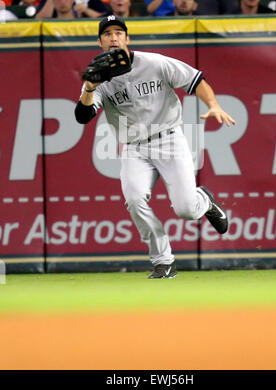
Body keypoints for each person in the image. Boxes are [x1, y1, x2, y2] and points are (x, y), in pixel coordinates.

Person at [74, 15, 236, 279]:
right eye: (107, 34)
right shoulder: (98, 78)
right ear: (100, 42)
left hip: (169, 139)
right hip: (134, 148)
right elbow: (82, 116)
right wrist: (89, 88)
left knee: (185, 209)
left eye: (118, 33)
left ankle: (203, 200)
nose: (113, 37)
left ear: (127, 38)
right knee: (135, 200)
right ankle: (164, 261)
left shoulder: (154, 62)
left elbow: (195, 80)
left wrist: (214, 105)